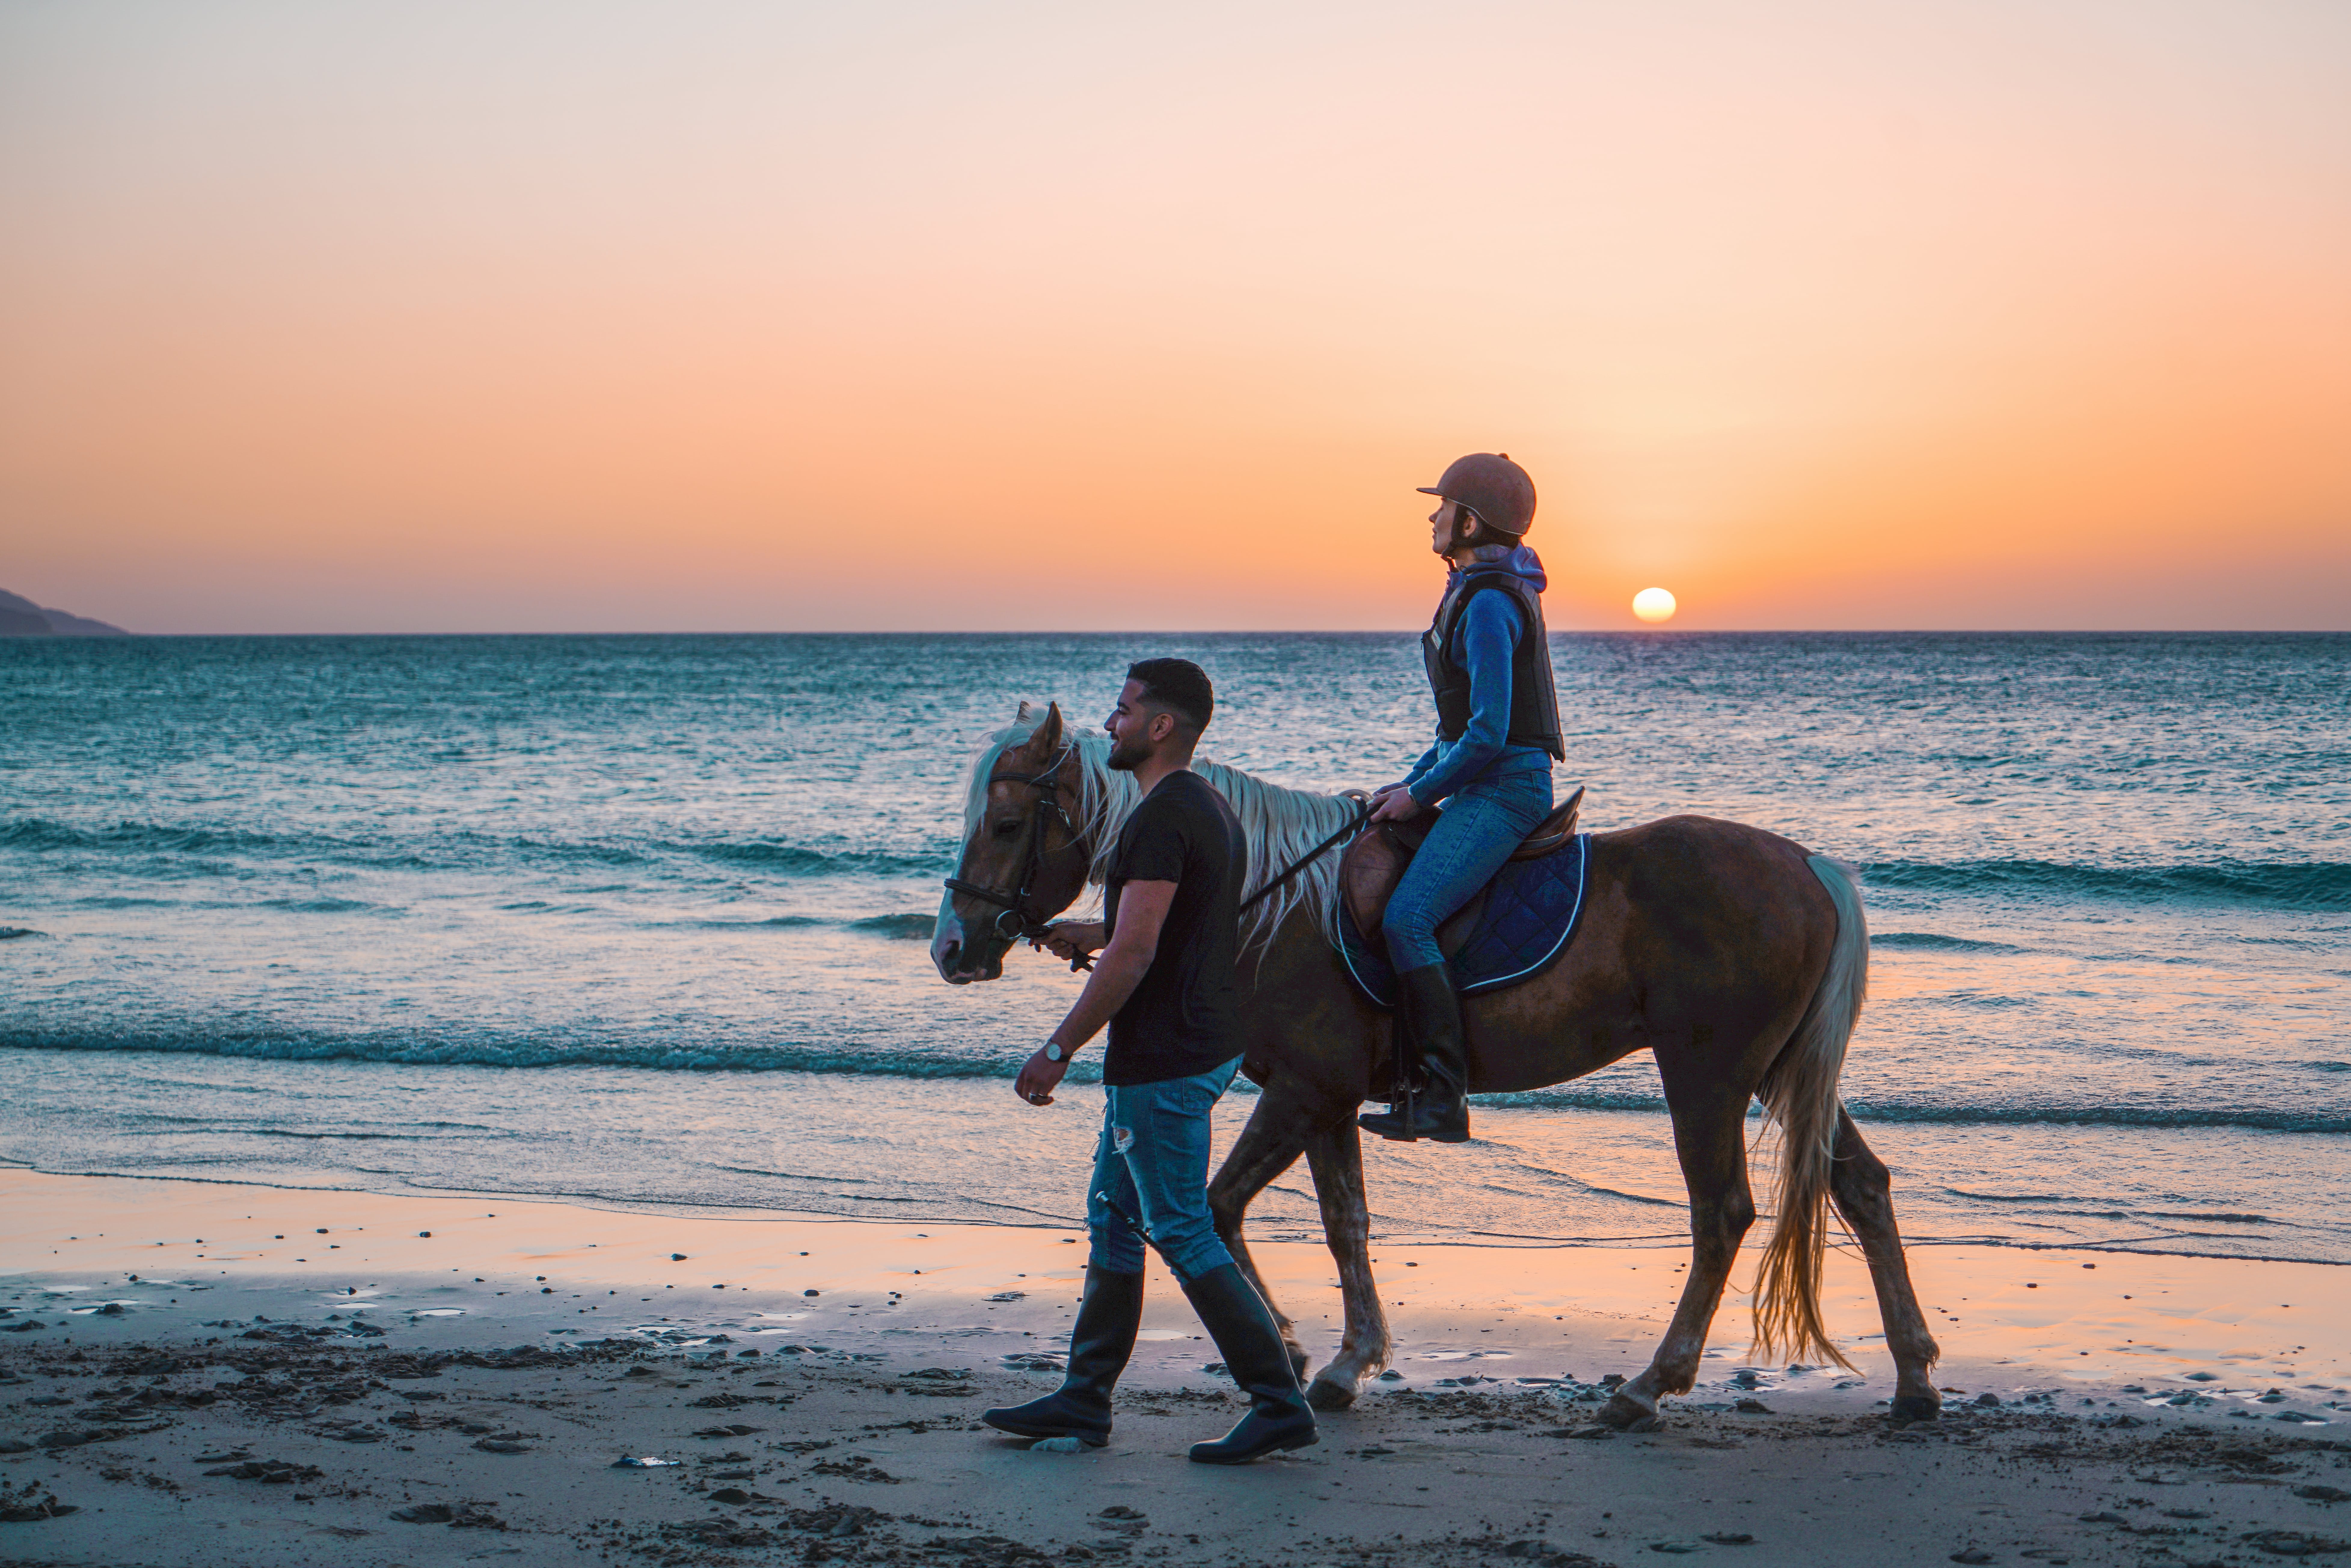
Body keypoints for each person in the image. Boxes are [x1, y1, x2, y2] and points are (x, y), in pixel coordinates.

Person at [979, 658, 1317, 1464]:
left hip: (1166, 1057)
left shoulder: (1160, 818)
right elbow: (1167, 930)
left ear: (1162, 726)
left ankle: (1278, 1403)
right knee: (1114, 1216)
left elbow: (1134, 955)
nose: (1111, 723)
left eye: (1125, 711)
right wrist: (1089, 938)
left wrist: (1057, 1049)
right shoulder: (1202, 808)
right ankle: (1085, 1398)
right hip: (1193, 1042)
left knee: (1179, 1228)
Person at [1358, 453, 1565, 1145]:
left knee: (1408, 918)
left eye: (1441, 505)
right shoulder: (1475, 590)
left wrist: (1420, 796)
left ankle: (1443, 1096)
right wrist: (1407, 782)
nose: (1431, 515)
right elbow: (1454, 733)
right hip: (1479, 778)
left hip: (1505, 790)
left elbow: (1488, 735)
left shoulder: (1487, 604)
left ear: (1469, 521)